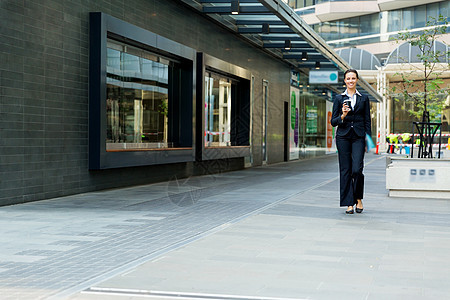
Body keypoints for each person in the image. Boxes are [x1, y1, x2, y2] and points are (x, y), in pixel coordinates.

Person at [331, 69, 371, 214]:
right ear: (344, 81)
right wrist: (343, 115)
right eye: (348, 78)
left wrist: (368, 141)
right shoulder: (338, 98)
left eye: (353, 78)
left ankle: (358, 198)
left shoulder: (364, 98)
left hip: (358, 137)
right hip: (343, 136)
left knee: (357, 169)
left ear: (357, 80)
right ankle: (349, 203)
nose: (351, 81)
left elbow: (367, 120)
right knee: (345, 170)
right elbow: (333, 122)